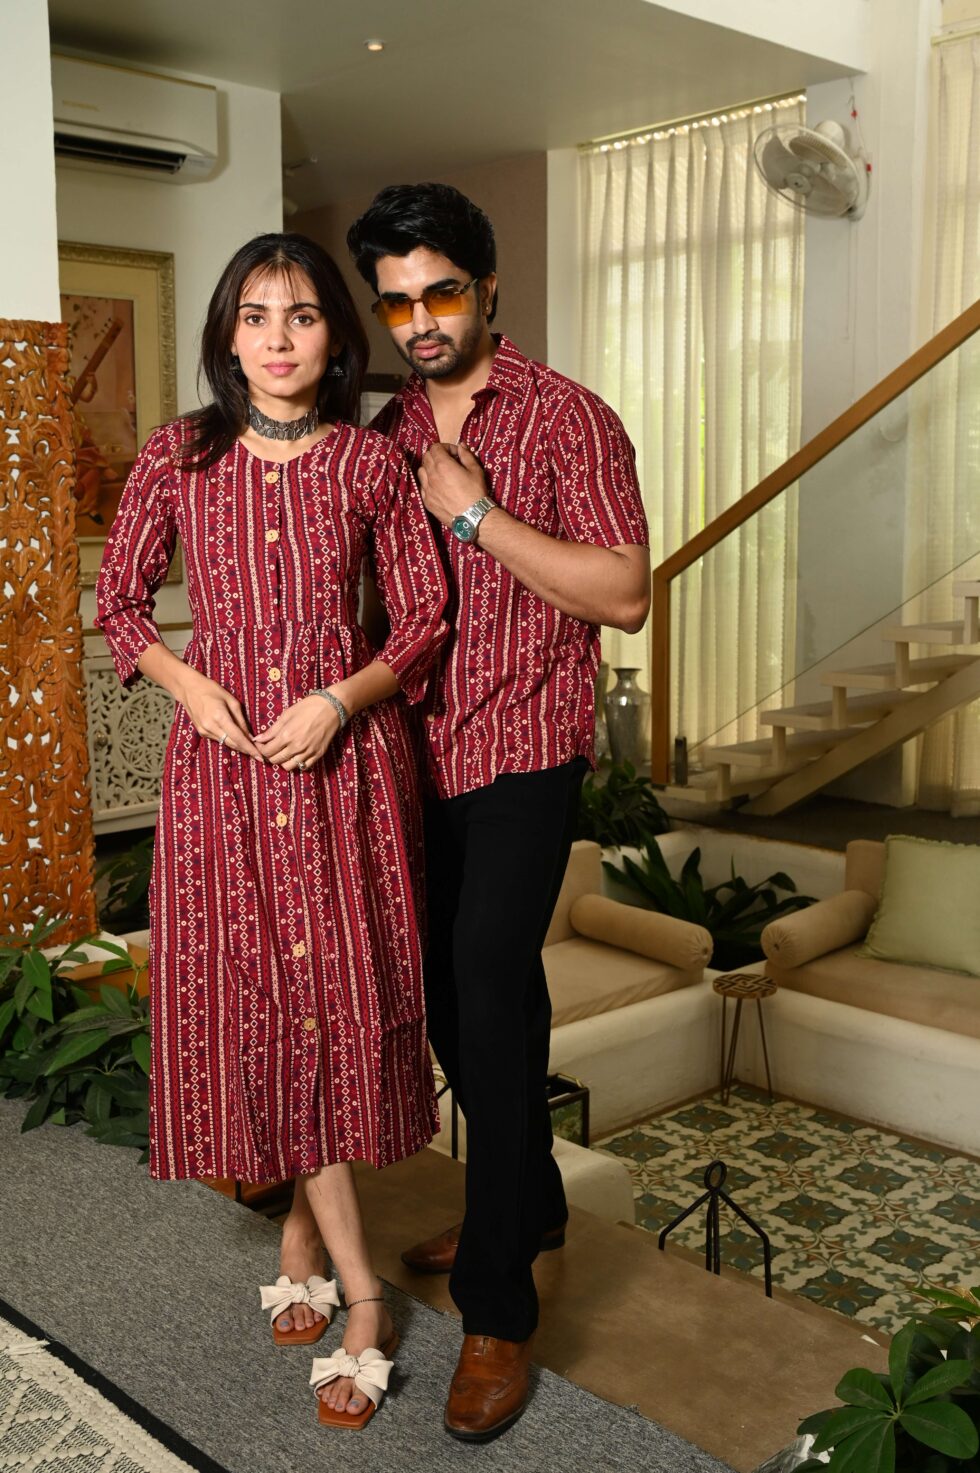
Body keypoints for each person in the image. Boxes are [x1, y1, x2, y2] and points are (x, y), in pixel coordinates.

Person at [95, 232, 448, 1432]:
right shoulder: (177, 455)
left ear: (333, 336)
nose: (278, 338)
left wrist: (339, 701)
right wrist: (187, 685)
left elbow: (423, 618)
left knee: (333, 1006)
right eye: (255, 316)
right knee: (259, 997)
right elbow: (118, 602)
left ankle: (321, 1252)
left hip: (340, 769)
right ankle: (360, 1289)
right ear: (227, 335)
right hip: (225, 769)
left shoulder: (368, 461)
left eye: (301, 316)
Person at [345, 183, 650, 1443]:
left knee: (484, 980)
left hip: (523, 748)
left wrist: (471, 515)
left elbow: (621, 592)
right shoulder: (383, 427)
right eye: (396, 303)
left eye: (441, 293)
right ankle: (526, 1203)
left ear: (486, 287)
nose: (420, 321)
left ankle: (497, 1309)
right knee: (453, 995)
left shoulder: (569, 417)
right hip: (413, 754)